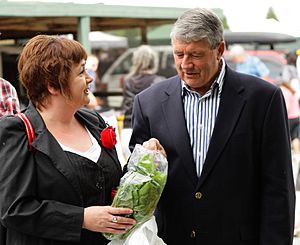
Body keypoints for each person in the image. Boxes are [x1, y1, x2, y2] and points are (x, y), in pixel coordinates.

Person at [129, 8, 295, 245]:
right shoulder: (148, 102)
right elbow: (135, 182)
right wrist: (147, 159)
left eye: (195, 55)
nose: (186, 64)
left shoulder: (263, 98)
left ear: (219, 50)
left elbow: (278, 188)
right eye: (179, 54)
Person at [0, 34, 164, 245]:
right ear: (53, 86)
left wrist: (146, 161)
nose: (90, 78)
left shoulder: (94, 121)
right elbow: (13, 209)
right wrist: (82, 219)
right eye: (81, 72)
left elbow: (114, 188)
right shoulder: (18, 131)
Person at [121, 45, 165, 159]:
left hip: (127, 132)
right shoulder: (160, 82)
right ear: (154, 60)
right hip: (151, 137)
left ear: (136, 61)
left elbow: (126, 106)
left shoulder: (128, 81)